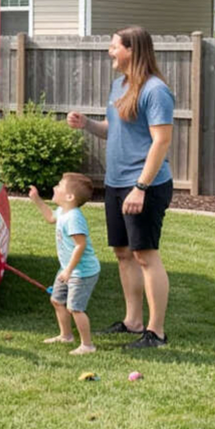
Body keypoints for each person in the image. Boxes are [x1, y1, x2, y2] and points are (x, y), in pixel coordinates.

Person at [67, 26, 174, 349]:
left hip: (144, 185)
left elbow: (161, 140)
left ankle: (156, 332)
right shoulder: (120, 85)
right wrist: (88, 124)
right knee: (124, 253)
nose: (110, 52)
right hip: (116, 184)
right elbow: (114, 130)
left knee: (145, 255)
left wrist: (141, 186)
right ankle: (133, 322)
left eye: (114, 47)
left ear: (132, 50)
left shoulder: (155, 91)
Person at [29, 173, 100, 355]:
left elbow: (80, 245)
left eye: (59, 186)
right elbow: (51, 218)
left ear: (70, 197)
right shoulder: (63, 212)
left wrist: (69, 270)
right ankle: (66, 335)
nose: (55, 188)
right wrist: (36, 199)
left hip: (81, 271)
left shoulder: (74, 218)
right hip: (68, 269)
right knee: (57, 300)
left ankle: (87, 345)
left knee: (75, 308)